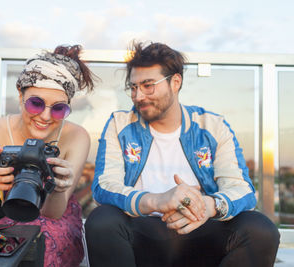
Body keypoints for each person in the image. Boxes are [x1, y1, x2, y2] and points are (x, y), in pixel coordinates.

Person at [85, 41, 280, 267]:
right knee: (102, 221)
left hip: (200, 231)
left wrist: (209, 206)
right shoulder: (120, 124)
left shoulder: (212, 126)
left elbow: (243, 190)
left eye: (148, 85)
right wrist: (158, 200)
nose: (138, 96)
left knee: (260, 229)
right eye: (133, 87)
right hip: (143, 233)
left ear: (175, 82)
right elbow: (104, 186)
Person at [0, 45, 95, 267]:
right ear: (20, 94)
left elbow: (53, 213)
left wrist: (58, 188)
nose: (46, 117)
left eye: (58, 108)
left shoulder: (77, 136)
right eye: (35, 104)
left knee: (47, 244)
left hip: (54, 216)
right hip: (1, 211)